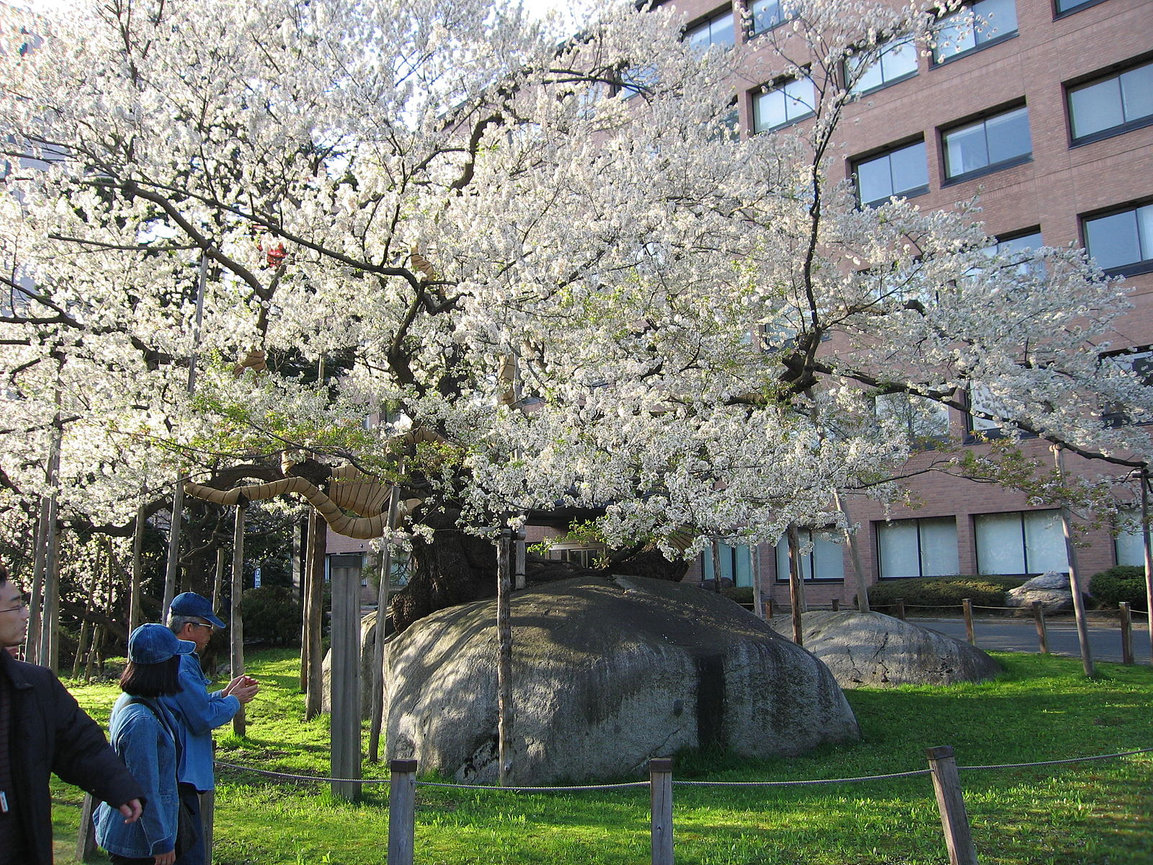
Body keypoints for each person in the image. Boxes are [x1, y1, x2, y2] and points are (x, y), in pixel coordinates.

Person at [0, 562, 143, 865]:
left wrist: (116, 784)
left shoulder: (34, 687)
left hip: (17, 846)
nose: (26, 615)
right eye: (16, 608)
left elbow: (78, 742)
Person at [161, 592, 258, 865]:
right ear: (189, 628)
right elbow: (201, 717)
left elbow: (191, 704)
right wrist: (233, 701)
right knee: (189, 854)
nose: (211, 632)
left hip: (177, 773)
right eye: (207, 626)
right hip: (180, 776)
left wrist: (225, 694)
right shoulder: (181, 663)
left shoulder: (178, 659)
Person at [95, 624, 194, 865]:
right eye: (176, 659)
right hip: (138, 844)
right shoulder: (141, 720)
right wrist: (160, 841)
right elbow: (145, 788)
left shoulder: (143, 700)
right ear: (163, 667)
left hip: (141, 836)